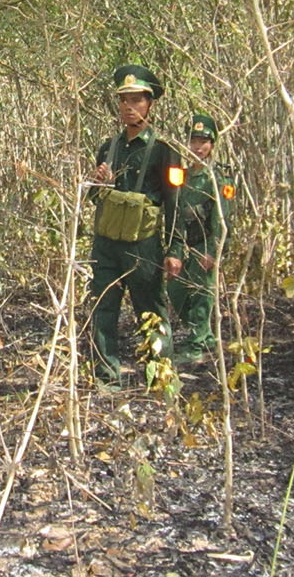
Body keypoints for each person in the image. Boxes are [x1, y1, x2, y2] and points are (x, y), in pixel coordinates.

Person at [86, 65, 184, 385]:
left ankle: (160, 377)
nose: (129, 107)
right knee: (103, 309)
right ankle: (106, 377)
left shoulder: (163, 150)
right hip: (107, 243)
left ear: (150, 104)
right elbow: (93, 198)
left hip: (143, 244)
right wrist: (100, 183)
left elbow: (175, 202)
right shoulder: (108, 147)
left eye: (137, 100)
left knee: (151, 313)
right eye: (124, 101)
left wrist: (176, 250)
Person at [167, 114, 235, 362]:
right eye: (194, 141)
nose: (198, 147)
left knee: (202, 294)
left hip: (205, 243)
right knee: (175, 289)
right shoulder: (181, 176)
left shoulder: (219, 179)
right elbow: (174, 214)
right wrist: (174, 252)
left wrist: (214, 250)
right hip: (185, 244)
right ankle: (204, 336)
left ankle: (196, 345)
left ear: (212, 145)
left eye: (204, 142)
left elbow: (223, 219)